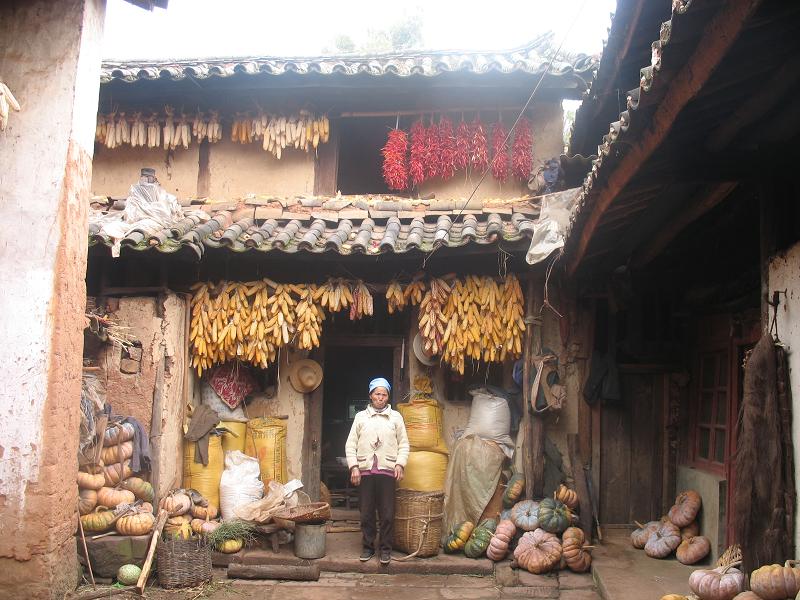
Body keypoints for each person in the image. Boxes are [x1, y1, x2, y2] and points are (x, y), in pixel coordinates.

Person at [345, 377, 409, 565]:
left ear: (388, 397)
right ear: (371, 395)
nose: (380, 397)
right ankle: (367, 547)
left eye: (384, 394)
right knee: (366, 513)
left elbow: (404, 444)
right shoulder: (360, 417)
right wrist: (354, 466)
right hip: (365, 471)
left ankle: (386, 549)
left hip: (387, 470)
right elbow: (351, 444)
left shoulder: (396, 417)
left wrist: (400, 464)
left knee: (387, 513)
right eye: (377, 394)